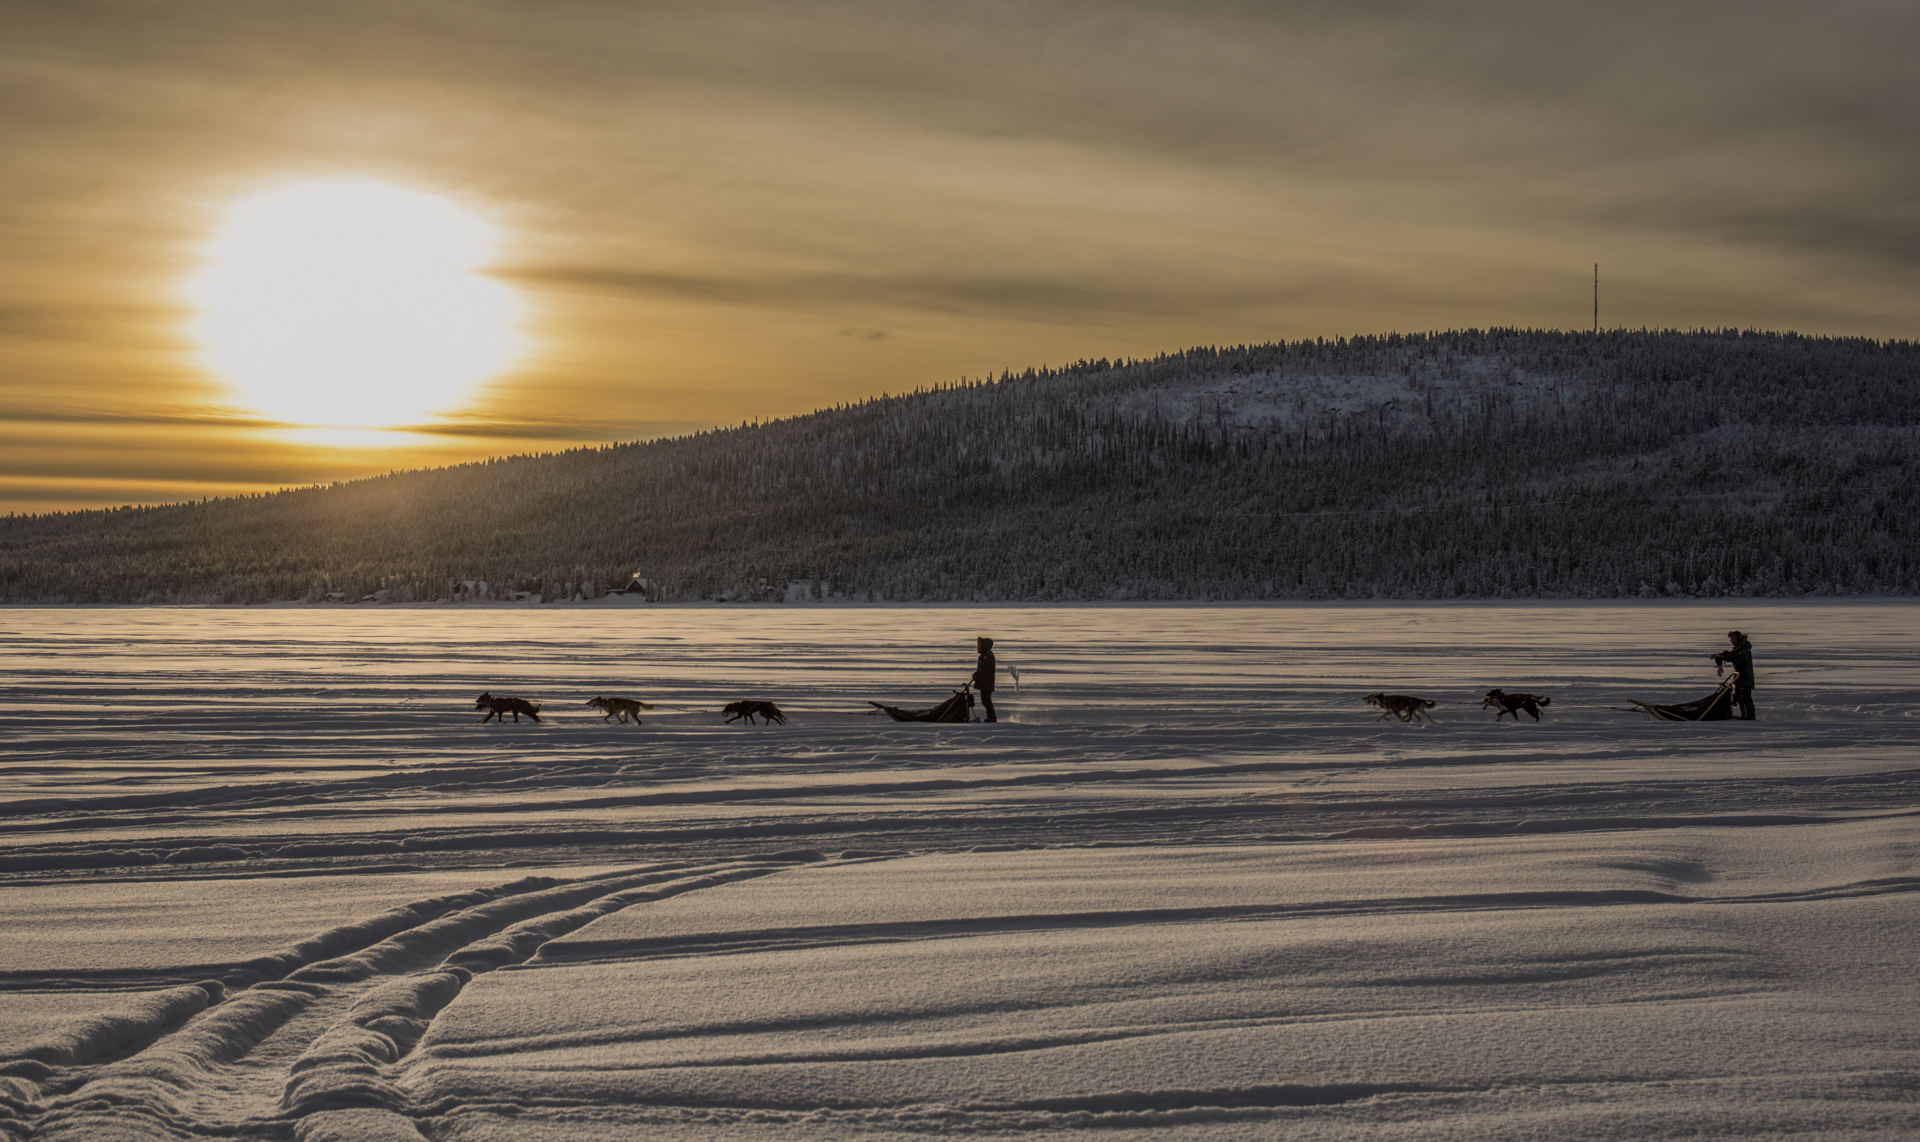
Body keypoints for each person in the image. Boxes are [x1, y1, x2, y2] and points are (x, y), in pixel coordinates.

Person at [1711, 630, 1756, 720]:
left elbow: (1739, 658)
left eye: (1732, 639)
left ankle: (1749, 715)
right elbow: (1732, 657)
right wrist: (1720, 657)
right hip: (1739, 677)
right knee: (1739, 697)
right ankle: (1743, 714)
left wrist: (1725, 654)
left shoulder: (1744, 649)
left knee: (1745, 697)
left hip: (1745, 677)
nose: (1731, 641)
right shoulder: (1737, 649)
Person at [972, 636, 997, 722]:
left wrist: (977, 674)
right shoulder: (985, 654)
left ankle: (992, 717)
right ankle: (991, 716)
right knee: (986, 700)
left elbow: (984, 668)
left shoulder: (987, 655)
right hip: (985, 682)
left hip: (986, 682)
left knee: (986, 700)